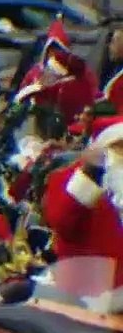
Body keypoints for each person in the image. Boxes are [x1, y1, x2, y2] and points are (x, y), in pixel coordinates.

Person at [41, 116, 123, 292]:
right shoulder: (70, 179)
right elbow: (62, 222)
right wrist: (88, 176)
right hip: (86, 296)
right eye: (121, 149)